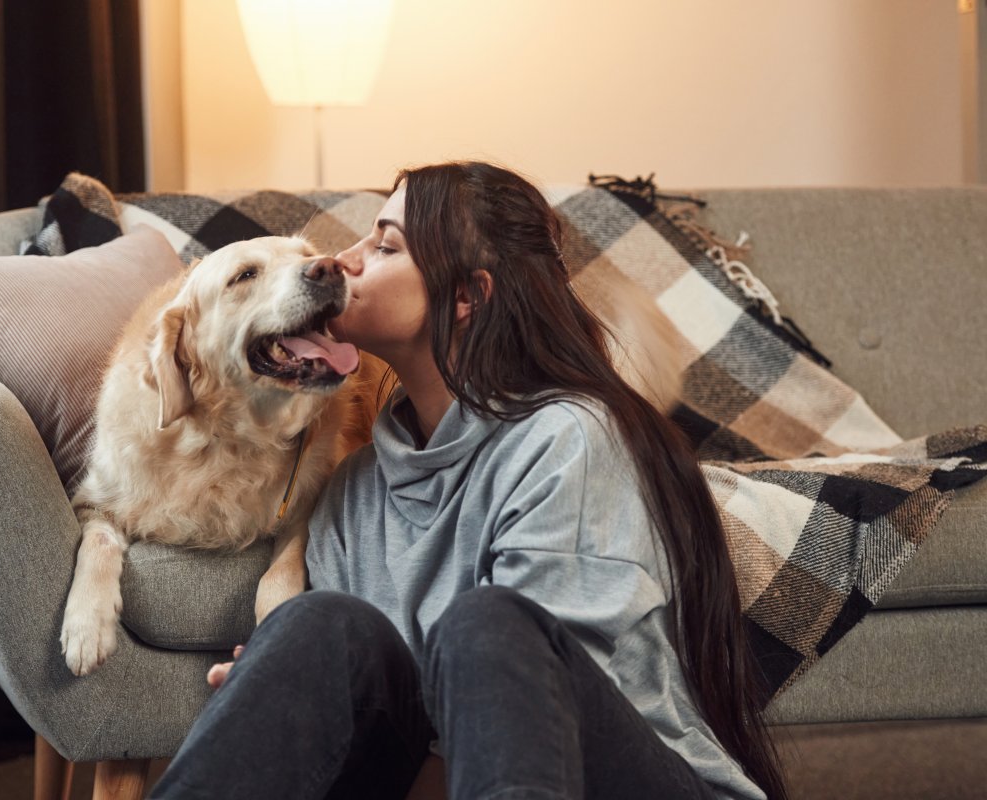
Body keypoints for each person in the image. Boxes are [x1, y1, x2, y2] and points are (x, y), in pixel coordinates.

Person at [148, 161, 787, 800]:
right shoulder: (356, 487)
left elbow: (532, 726)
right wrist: (290, 697)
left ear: (466, 296)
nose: (342, 261)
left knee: (487, 625)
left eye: (386, 246)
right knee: (318, 629)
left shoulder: (568, 439)